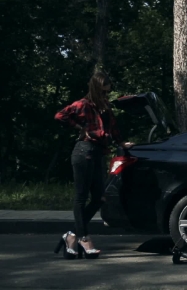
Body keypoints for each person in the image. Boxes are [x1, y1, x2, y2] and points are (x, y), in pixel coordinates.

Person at [53, 71, 134, 259]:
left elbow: (112, 128)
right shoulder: (83, 104)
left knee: (98, 198)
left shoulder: (104, 106)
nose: (107, 94)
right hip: (83, 151)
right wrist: (81, 128)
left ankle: (71, 235)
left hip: (98, 153)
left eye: (108, 91)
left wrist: (121, 143)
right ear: (97, 88)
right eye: (104, 91)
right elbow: (60, 116)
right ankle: (83, 237)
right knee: (81, 197)